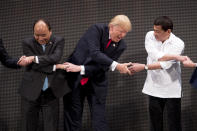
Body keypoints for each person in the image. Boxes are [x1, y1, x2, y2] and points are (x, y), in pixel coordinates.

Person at [59, 15, 132, 131]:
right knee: (73, 115)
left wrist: (81, 68)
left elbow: (102, 67)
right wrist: (116, 65)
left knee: (99, 118)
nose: (122, 35)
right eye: (121, 31)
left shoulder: (122, 45)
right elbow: (95, 53)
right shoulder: (96, 30)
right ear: (112, 27)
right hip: (74, 77)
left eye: (125, 33)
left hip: (97, 80)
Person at [129, 16, 184, 131]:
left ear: (168, 31)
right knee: (155, 125)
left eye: (157, 31)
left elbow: (166, 65)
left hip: (171, 90)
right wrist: (167, 57)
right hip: (153, 88)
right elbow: (152, 53)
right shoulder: (150, 35)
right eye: (154, 29)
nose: (154, 33)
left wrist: (144, 66)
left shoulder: (178, 43)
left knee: (174, 125)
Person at [19, 19, 68, 131]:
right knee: (28, 126)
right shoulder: (27, 42)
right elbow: (35, 66)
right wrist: (56, 66)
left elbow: (56, 57)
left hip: (50, 91)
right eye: (37, 35)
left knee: (51, 126)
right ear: (33, 33)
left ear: (50, 31)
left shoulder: (58, 40)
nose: (40, 38)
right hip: (30, 90)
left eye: (44, 35)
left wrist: (34, 58)